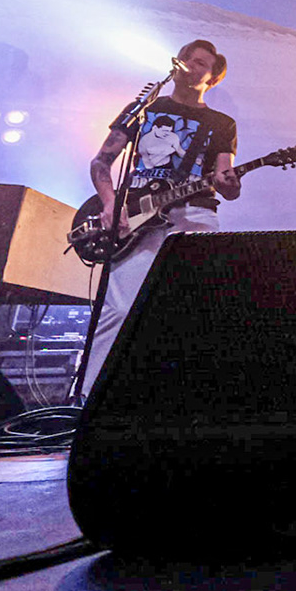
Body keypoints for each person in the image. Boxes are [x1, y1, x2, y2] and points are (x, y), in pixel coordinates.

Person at [81, 40, 239, 388]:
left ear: (211, 78)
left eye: (200, 64)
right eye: (187, 59)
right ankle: (88, 399)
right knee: (119, 309)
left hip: (195, 215)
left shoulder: (221, 123)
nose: (190, 66)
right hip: (135, 218)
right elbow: (101, 162)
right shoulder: (143, 109)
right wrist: (111, 203)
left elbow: (227, 181)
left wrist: (230, 183)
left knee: (193, 309)